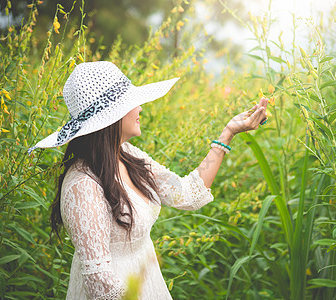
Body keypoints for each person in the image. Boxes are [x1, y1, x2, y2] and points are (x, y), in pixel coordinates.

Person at [29, 61, 268, 299]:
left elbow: (187, 193)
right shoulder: (83, 185)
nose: (140, 108)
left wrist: (229, 132)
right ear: (111, 117)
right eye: (131, 102)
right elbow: (101, 286)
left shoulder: (127, 154)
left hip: (148, 285)